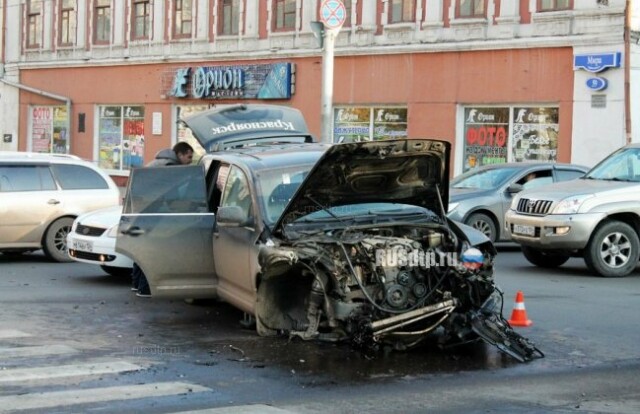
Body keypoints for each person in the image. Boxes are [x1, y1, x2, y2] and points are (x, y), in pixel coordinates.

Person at [132, 142, 194, 298]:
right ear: (180, 154)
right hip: (150, 211)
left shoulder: (160, 161)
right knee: (150, 249)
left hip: (141, 209)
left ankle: (136, 285)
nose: (190, 161)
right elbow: (171, 194)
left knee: (141, 246)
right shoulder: (170, 166)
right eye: (189, 157)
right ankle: (145, 288)